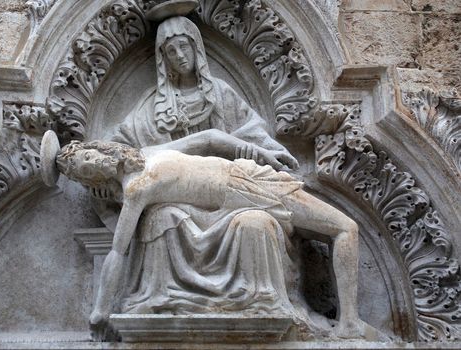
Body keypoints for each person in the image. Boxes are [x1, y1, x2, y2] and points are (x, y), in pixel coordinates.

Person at [87, 15, 368, 339]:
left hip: (238, 186)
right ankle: (164, 300)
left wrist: (265, 153)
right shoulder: (150, 111)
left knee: (256, 224)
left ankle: (271, 304)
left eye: (184, 46)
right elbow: (121, 148)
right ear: (163, 60)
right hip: (180, 202)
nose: (179, 55)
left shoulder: (220, 94)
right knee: (162, 218)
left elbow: (244, 136)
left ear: (197, 48)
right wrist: (101, 179)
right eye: (171, 51)